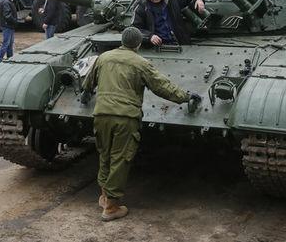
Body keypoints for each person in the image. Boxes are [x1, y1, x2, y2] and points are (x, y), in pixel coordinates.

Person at [80, 26, 201, 221]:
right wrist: (185, 97)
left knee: (105, 155)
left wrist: (85, 93)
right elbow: (162, 86)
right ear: (138, 43)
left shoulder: (104, 57)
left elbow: (88, 81)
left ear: (122, 40)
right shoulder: (141, 63)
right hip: (125, 117)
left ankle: (104, 196)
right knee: (120, 159)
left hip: (101, 114)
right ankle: (111, 207)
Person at [132, 0, 205, 46]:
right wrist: (150, 36)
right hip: (157, 46)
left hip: (180, 42)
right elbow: (135, 30)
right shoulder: (141, 6)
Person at [0, 0, 17, 64]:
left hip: (8, 25)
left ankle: (10, 58)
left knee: (9, 43)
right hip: (7, 25)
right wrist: (15, 21)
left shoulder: (5, 0)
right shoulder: (5, 1)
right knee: (6, 43)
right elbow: (7, 15)